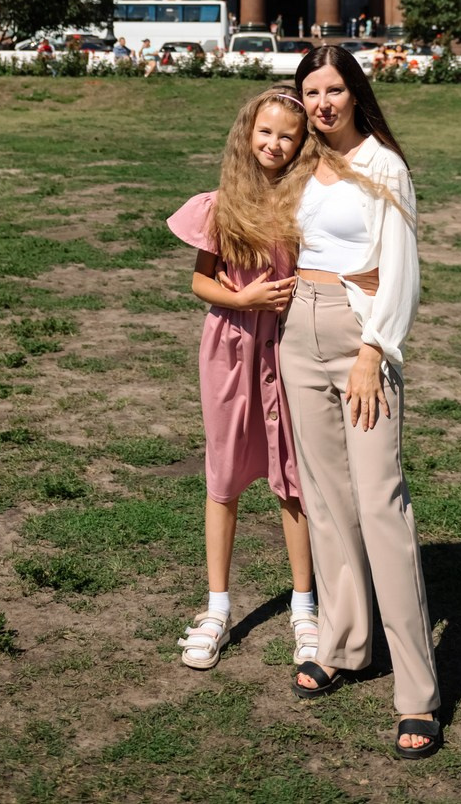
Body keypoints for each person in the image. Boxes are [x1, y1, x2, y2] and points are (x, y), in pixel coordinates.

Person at [282, 45, 442, 760]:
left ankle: (418, 694)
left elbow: (401, 269)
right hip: (297, 333)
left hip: (359, 335)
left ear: (356, 93)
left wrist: (375, 350)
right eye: (310, 91)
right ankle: (346, 645)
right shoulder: (295, 164)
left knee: (381, 505)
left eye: (334, 90)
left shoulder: (385, 166)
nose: (322, 103)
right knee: (325, 499)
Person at [167, 90, 318, 673]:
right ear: (246, 135)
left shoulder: (308, 203)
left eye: (287, 135)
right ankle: (217, 606)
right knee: (224, 476)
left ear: (300, 144)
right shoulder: (219, 205)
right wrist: (244, 296)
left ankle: (305, 607)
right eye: (265, 132)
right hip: (229, 350)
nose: (274, 144)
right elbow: (200, 284)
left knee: (293, 476)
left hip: (287, 349)